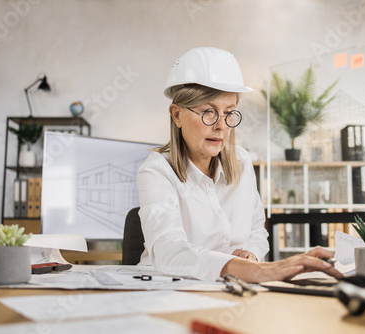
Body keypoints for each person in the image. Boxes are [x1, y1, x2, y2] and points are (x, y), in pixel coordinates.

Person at [136, 47, 342, 283]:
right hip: (166, 290)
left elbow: (257, 231)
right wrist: (250, 269)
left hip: (230, 288)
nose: (221, 126)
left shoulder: (242, 162)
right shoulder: (157, 171)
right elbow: (168, 251)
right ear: (177, 115)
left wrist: (250, 256)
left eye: (229, 113)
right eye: (208, 112)